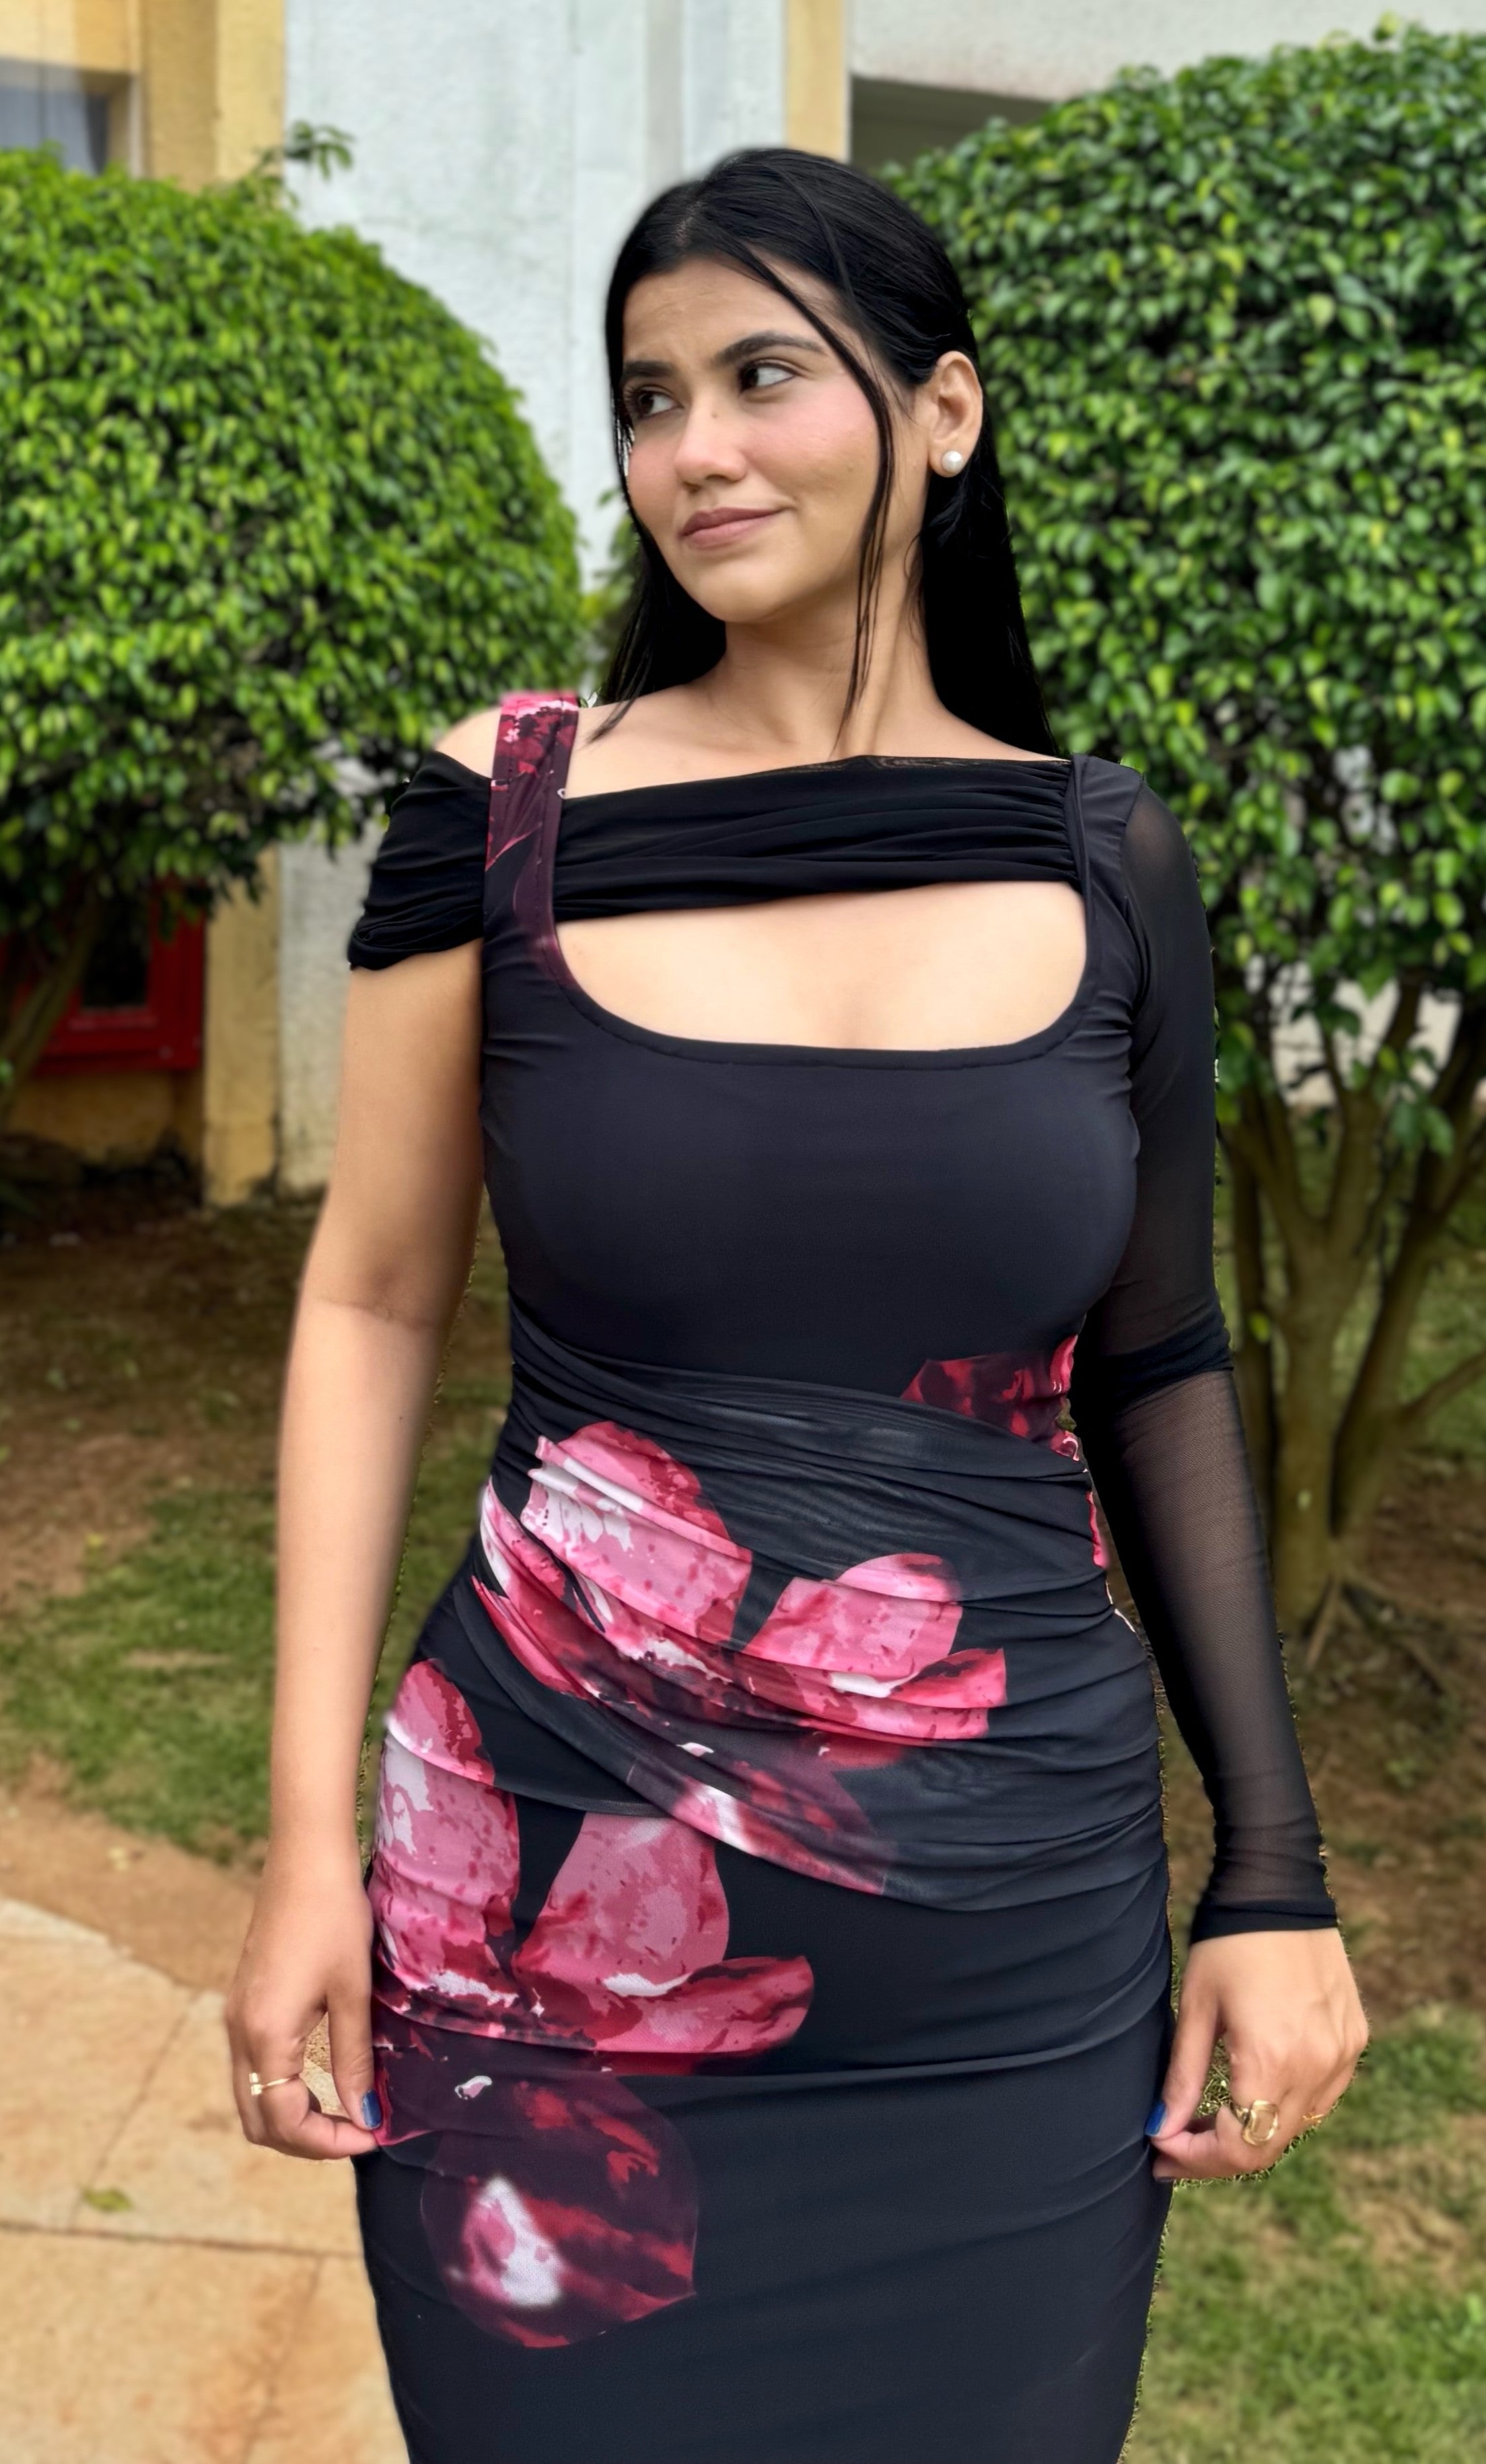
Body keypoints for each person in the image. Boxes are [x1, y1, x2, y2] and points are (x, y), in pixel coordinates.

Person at [226, 149, 1367, 2464]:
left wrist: (1274, 1871)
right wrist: (299, 1839)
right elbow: (371, 1305)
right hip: (543, 1907)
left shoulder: (1102, 857)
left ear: (945, 413)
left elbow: (1158, 1363)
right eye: (651, 398)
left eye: (765, 375)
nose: (697, 451)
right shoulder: (503, 816)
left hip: (1006, 1959)